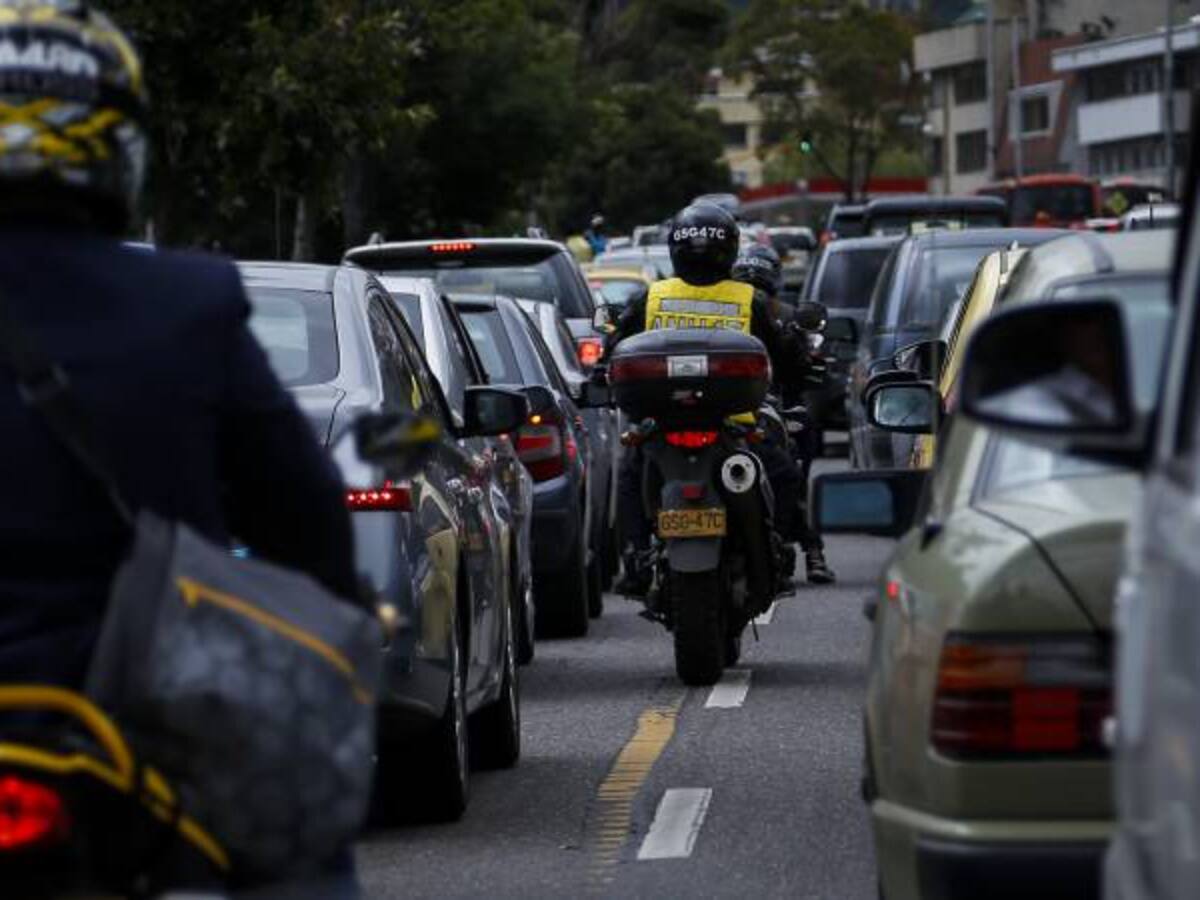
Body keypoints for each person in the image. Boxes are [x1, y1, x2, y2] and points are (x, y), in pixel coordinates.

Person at [0, 1, 359, 893]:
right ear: (118, 140)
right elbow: (308, 523)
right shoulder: (189, 305)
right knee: (304, 859)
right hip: (136, 729)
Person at [606, 203, 807, 597]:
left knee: (630, 473)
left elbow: (614, 346)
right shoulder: (748, 299)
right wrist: (800, 364)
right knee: (784, 475)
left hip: (663, 424)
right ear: (729, 250)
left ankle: (635, 557)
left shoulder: (654, 296)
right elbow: (785, 355)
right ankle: (778, 554)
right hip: (737, 424)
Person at [731, 247, 836, 585]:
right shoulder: (737, 309)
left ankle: (799, 547)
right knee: (789, 472)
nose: (755, 294)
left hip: (769, 406)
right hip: (736, 407)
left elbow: (801, 361)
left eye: (759, 286)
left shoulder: (783, 316)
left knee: (795, 465)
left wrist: (810, 364)